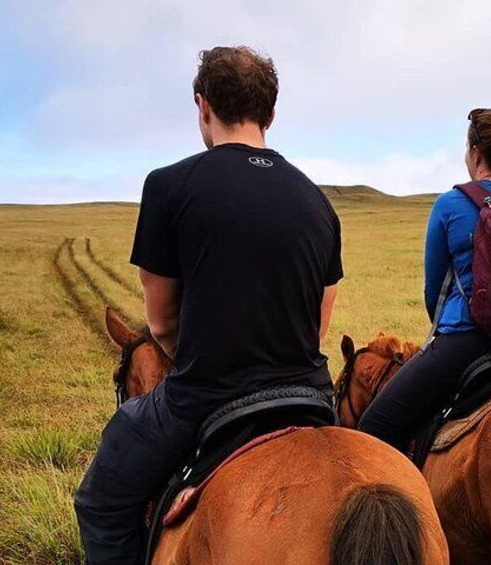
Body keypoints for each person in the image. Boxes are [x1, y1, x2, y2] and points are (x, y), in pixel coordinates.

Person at [74, 46, 343, 564]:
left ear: (203, 106)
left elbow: (162, 322)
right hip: (310, 394)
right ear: (271, 112)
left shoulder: (169, 185)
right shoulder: (317, 200)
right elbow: (318, 329)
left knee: (101, 501)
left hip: (203, 394)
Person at [358, 108, 491, 453]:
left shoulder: (451, 204)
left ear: (475, 153)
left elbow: (433, 292)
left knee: (374, 428)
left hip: (466, 343)